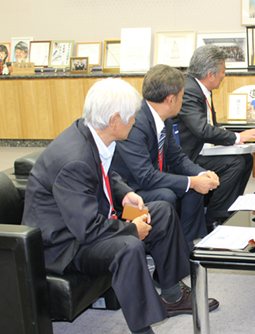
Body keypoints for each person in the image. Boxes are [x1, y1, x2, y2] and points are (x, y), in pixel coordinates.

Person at [21, 78, 219, 333]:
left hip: (87, 220)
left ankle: (172, 295)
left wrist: (125, 193)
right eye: (131, 117)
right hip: (65, 244)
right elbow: (88, 229)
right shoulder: (74, 160)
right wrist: (130, 230)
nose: (135, 122)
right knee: (128, 247)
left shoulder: (91, 132)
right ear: (114, 120)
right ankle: (143, 329)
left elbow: (106, 173)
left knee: (160, 210)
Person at [112, 65, 219, 243]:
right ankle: (165, 245)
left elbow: (176, 157)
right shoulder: (135, 123)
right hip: (127, 192)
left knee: (194, 189)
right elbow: (145, 176)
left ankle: (187, 244)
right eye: (182, 96)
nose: (182, 101)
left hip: (149, 180)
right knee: (168, 194)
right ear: (170, 99)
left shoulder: (163, 118)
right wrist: (192, 182)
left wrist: (201, 174)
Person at [173, 45, 255, 230]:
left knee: (245, 159)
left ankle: (229, 208)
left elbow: (208, 126)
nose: (224, 75)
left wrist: (230, 138)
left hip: (202, 148)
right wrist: (236, 137)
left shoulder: (200, 87)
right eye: (223, 71)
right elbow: (201, 129)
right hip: (188, 156)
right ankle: (214, 217)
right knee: (235, 163)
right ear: (210, 74)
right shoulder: (189, 90)